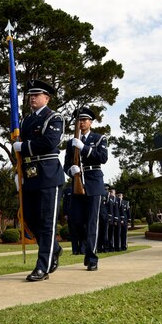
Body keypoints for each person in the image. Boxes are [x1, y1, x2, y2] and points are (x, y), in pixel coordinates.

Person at [13, 79, 65, 281]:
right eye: (30, 95)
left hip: (48, 174)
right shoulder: (25, 121)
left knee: (46, 222)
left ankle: (42, 266)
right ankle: (55, 248)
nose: (32, 98)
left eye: (37, 95)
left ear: (47, 98)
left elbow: (49, 142)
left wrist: (24, 147)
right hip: (30, 175)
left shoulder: (54, 117)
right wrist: (18, 172)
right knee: (31, 220)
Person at [63, 107, 108, 271]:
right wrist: (71, 171)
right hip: (77, 184)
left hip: (94, 184)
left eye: (84, 119)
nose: (81, 122)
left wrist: (84, 148)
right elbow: (66, 165)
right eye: (79, 120)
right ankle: (85, 248)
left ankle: (91, 257)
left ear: (90, 122)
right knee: (75, 220)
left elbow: (103, 158)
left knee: (92, 223)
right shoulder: (71, 142)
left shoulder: (99, 138)